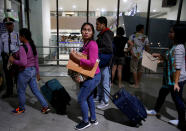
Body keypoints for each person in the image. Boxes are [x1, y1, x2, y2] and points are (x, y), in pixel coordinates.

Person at [147, 24, 186, 131]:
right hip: (169, 78)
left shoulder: (179, 48)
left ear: (178, 34)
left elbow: (178, 68)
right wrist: (159, 56)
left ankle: (182, 122)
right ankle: (156, 110)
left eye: (172, 32)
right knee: (162, 94)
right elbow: (169, 57)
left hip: (175, 79)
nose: (169, 34)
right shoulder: (174, 45)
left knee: (177, 100)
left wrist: (176, 83)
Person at [8, 28, 50, 114]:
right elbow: (36, 61)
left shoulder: (23, 47)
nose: (19, 37)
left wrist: (13, 61)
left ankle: (21, 108)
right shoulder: (32, 45)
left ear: (23, 37)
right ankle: (45, 106)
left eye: (20, 36)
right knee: (35, 90)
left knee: (21, 90)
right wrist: (37, 73)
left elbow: (23, 63)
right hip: (33, 71)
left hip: (24, 72)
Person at [70, 23, 101, 130]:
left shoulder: (92, 44)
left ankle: (85, 121)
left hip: (92, 77)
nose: (86, 32)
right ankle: (93, 119)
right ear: (81, 31)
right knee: (89, 98)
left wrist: (76, 58)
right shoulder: (86, 43)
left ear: (92, 32)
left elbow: (92, 63)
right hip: (90, 75)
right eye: (84, 29)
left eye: (89, 30)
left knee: (81, 98)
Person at [95, 16, 114, 109]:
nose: (96, 26)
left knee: (105, 82)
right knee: (99, 81)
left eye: (97, 24)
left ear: (103, 25)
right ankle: (99, 97)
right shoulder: (103, 34)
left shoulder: (106, 34)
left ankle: (105, 101)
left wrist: (96, 50)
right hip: (102, 62)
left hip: (105, 62)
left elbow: (109, 48)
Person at [0, 17, 21, 98]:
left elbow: (20, 47)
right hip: (6, 58)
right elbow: (0, 47)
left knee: (17, 76)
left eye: (10, 24)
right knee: (7, 76)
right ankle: (9, 92)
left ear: (13, 25)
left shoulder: (17, 35)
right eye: (7, 25)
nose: (8, 26)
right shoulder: (3, 36)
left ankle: (19, 91)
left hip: (15, 57)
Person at [129, 24, 149, 88]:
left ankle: (136, 84)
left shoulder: (132, 36)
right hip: (142, 55)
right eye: (143, 29)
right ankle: (138, 82)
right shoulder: (145, 37)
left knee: (134, 69)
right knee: (141, 69)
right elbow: (147, 47)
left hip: (134, 55)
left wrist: (132, 54)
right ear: (141, 29)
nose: (143, 30)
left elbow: (130, 47)